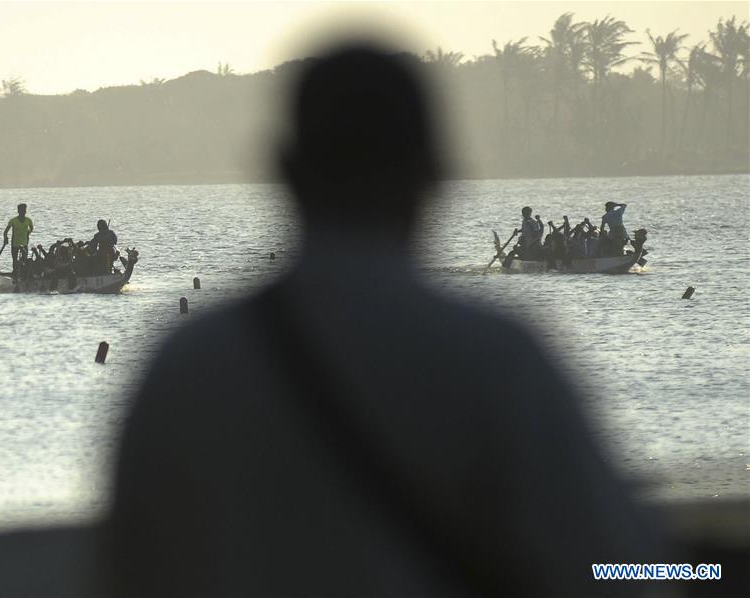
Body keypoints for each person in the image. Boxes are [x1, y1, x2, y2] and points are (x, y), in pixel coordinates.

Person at [105, 41, 663, 596]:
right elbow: (616, 571)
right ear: (435, 175)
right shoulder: (500, 360)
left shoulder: (185, 363)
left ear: (284, 171)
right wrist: (697, 568)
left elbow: (128, 571)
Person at [3, 203, 33, 277]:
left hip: (24, 242)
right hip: (15, 243)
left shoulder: (28, 220)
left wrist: (27, 234)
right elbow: (5, 231)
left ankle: (23, 272)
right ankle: (15, 272)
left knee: (24, 259)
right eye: (22, 210)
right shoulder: (13, 221)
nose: (23, 212)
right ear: (18, 211)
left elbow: (31, 228)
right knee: (15, 259)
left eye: (24, 210)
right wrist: (5, 238)